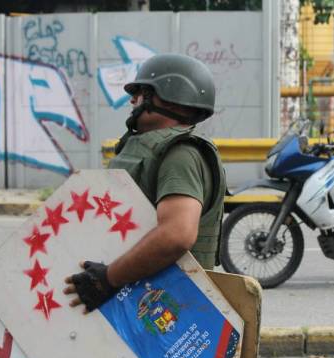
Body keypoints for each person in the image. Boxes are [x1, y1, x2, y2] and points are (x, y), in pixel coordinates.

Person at [63, 53, 226, 312]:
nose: (132, 100)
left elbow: (177, 234)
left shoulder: (181, 154)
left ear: (168, 95)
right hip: (138, 298)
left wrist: (108, 278)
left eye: (140, 92)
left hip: (169, 308)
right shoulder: (151, 147)